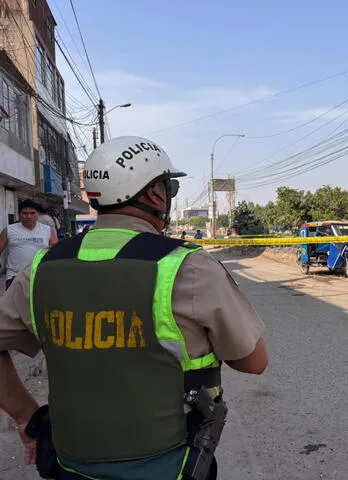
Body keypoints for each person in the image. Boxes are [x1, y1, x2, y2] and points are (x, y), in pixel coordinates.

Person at [0, 136, 268, 480]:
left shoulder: (38, 271)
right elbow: (254, 361)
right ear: (154, 194)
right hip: (169, 464)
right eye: (168, 187)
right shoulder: (188, 266)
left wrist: (27, 417)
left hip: (71, 464)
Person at [0, 199, 57, 290]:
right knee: (15, 304)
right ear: (19, 214)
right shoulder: (9, 230)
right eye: (25, 213)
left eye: (32, 213)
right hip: (15, 277)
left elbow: (55, 251)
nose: (29, 216)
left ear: (38, 214)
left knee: (39, 304)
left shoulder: (47, 230)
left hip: (40, 276)